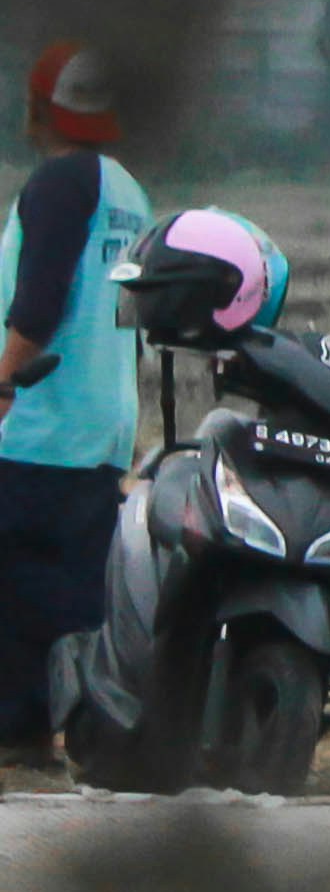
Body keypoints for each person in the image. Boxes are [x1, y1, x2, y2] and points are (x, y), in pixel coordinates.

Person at [0, 45, 152, 765]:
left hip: (40, 417)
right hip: (103, 420)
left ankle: (24, 732)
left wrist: (1, 381)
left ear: (35, 109)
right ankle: (76, 730)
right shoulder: (129, 192)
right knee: (73, 590)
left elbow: (39, 302)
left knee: (17, 588)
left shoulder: (57, 183)